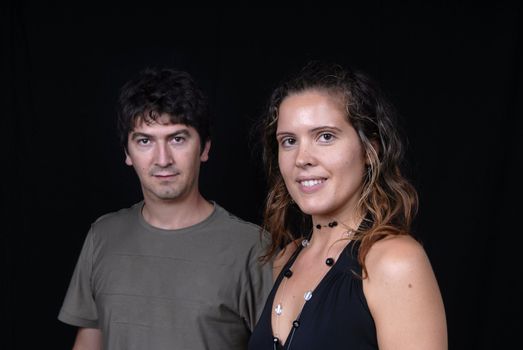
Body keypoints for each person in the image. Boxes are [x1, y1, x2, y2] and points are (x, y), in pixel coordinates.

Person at [58, 67, 273, 350]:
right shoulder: (102, 236)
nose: (162, 159)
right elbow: (89, 341)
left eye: (177, 139)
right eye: (145, 141)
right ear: (127, 153)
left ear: (205, 148)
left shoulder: (252, 247)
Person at [248, 61, 447, 349]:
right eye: (289, 141)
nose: (302, 158)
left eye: (325, 136)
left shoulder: (395, 262)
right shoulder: (287, 258)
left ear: (370, 149)